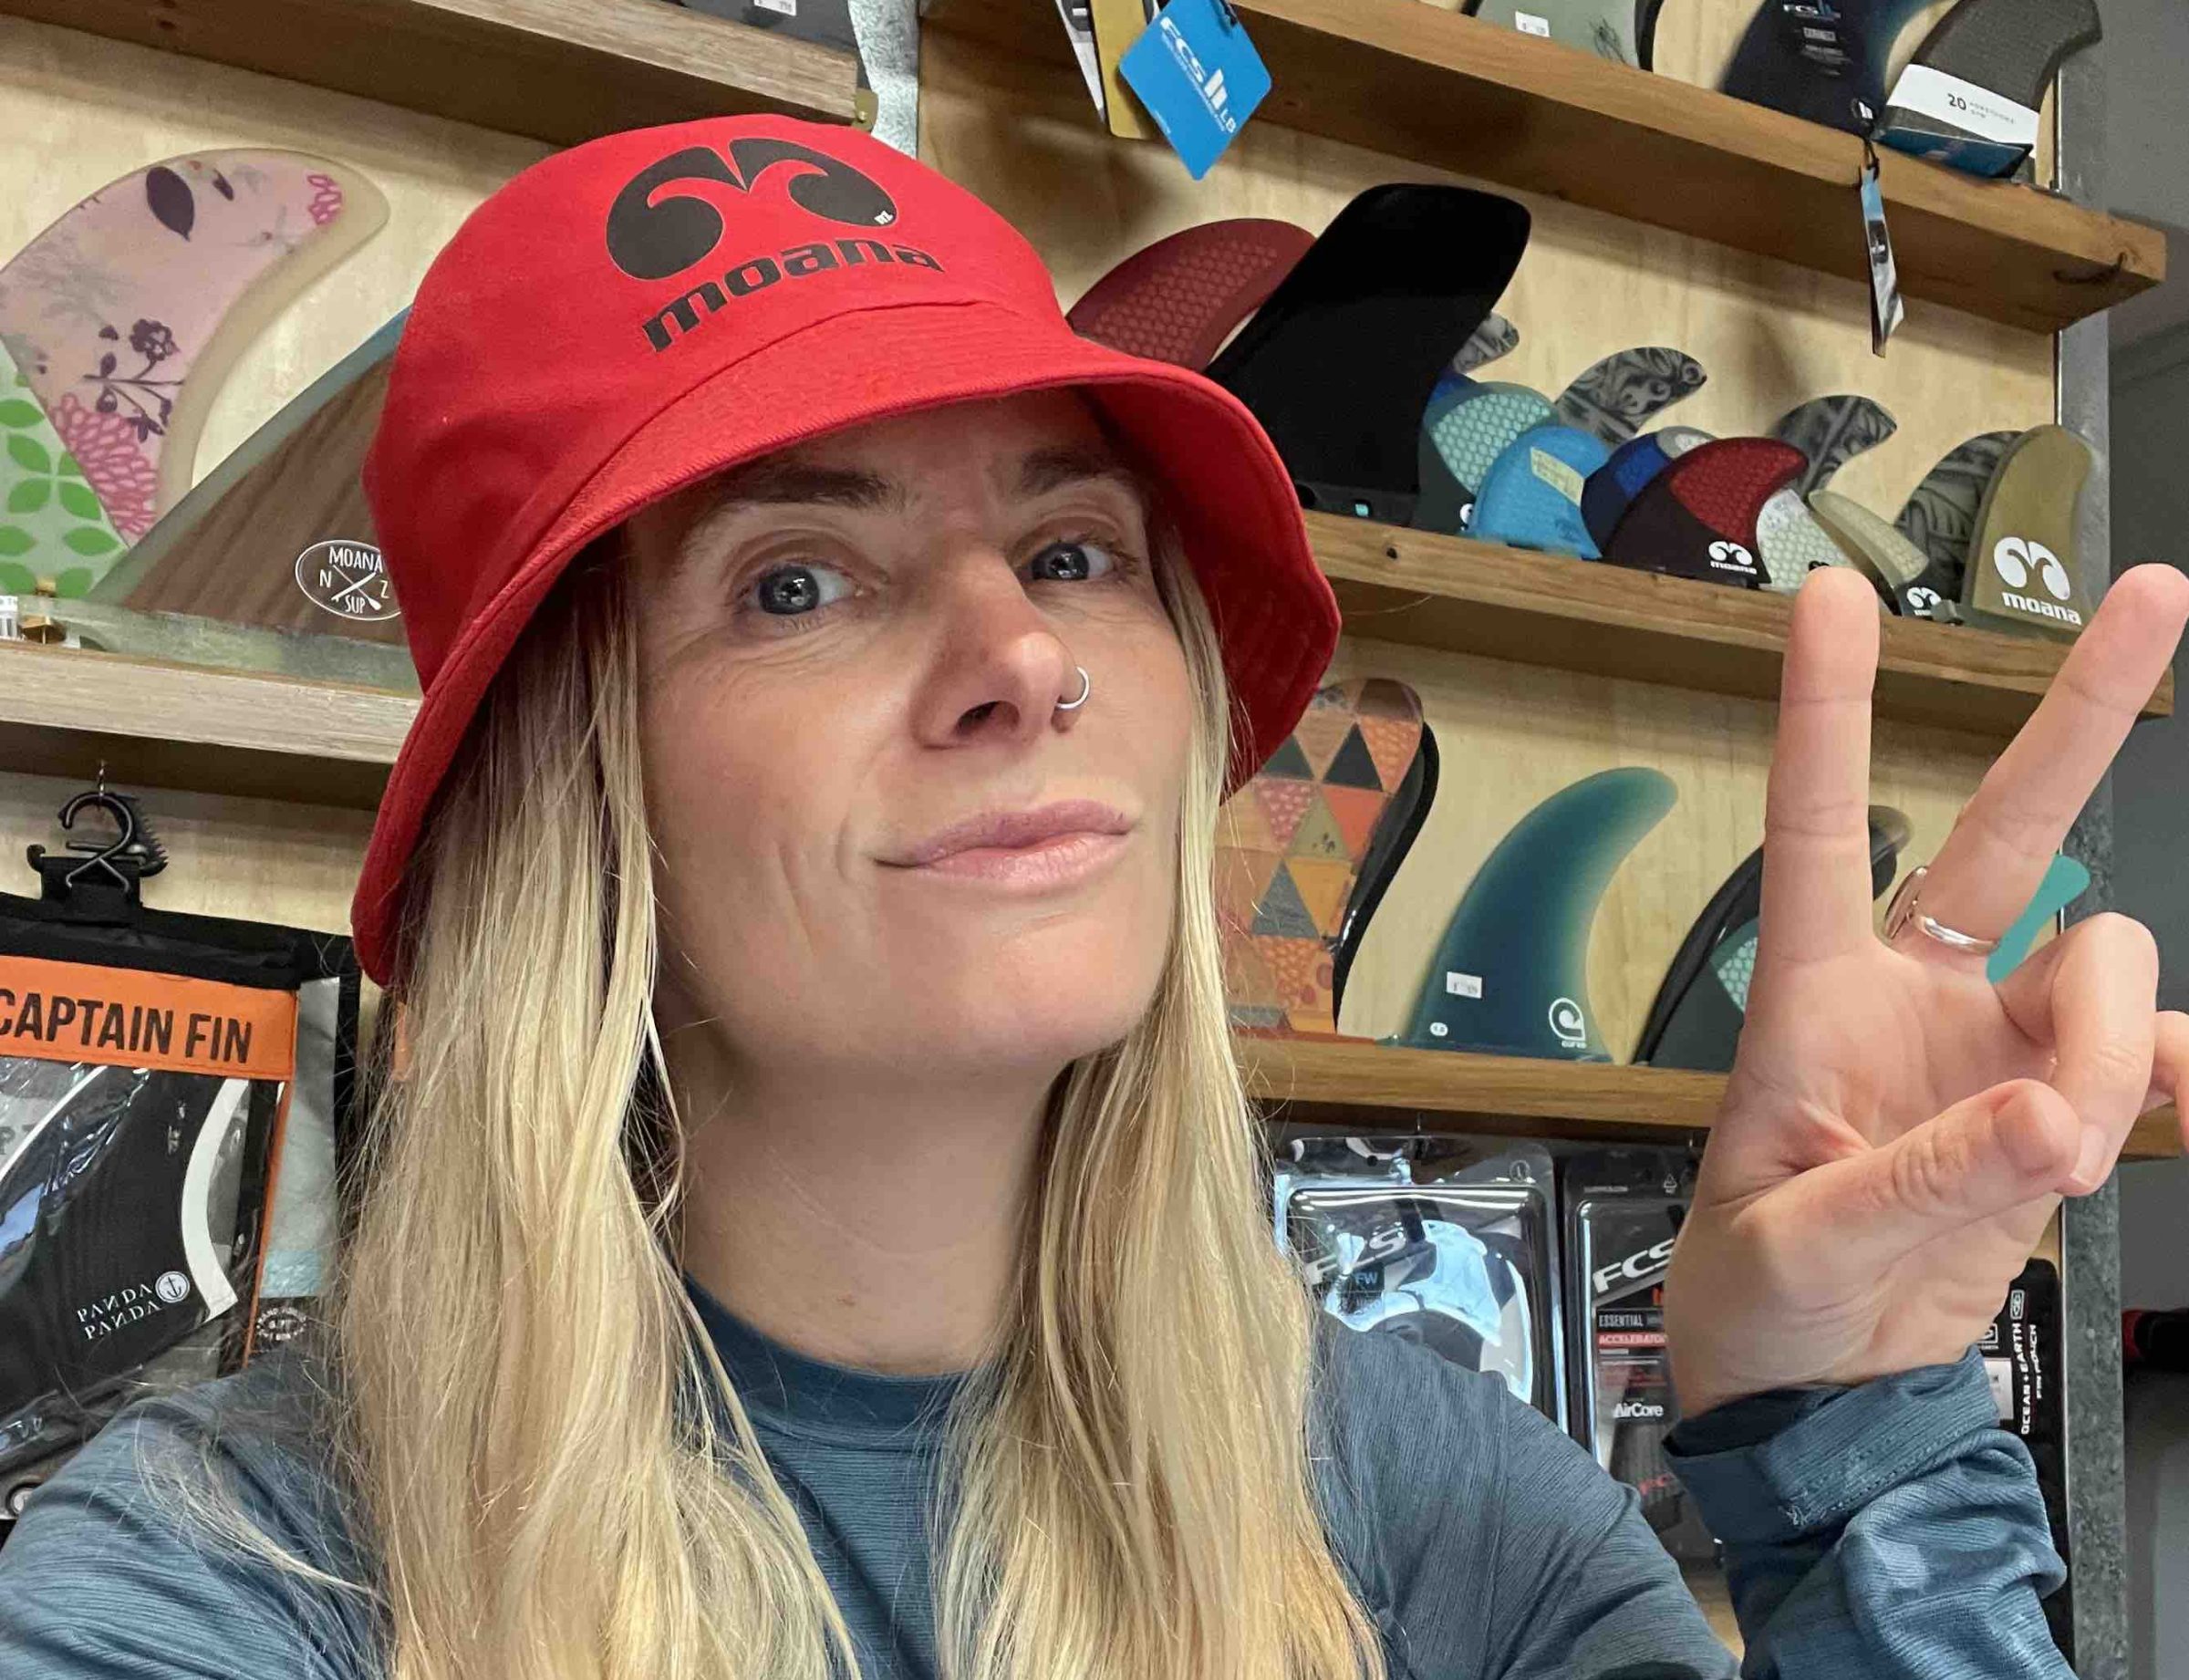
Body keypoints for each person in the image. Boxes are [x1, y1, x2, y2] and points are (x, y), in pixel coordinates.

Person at [0, 116, 2182, 1680]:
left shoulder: (1420, 1493)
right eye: (797, 578)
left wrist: (1852, 1436)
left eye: (1070, 552)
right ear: (564, 797)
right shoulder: (243, 1581)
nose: (1026, 657)